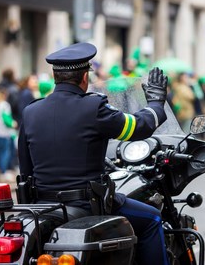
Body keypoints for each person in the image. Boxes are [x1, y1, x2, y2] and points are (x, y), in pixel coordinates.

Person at [18, 42, 170, 265]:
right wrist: (156, 103)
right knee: (153, 219)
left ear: (55, 77)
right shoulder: (93, 108)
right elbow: (137, 127)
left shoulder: (31, 111)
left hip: (42, 206)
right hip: (86, 205)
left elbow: (26, 168)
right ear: (84, 78)